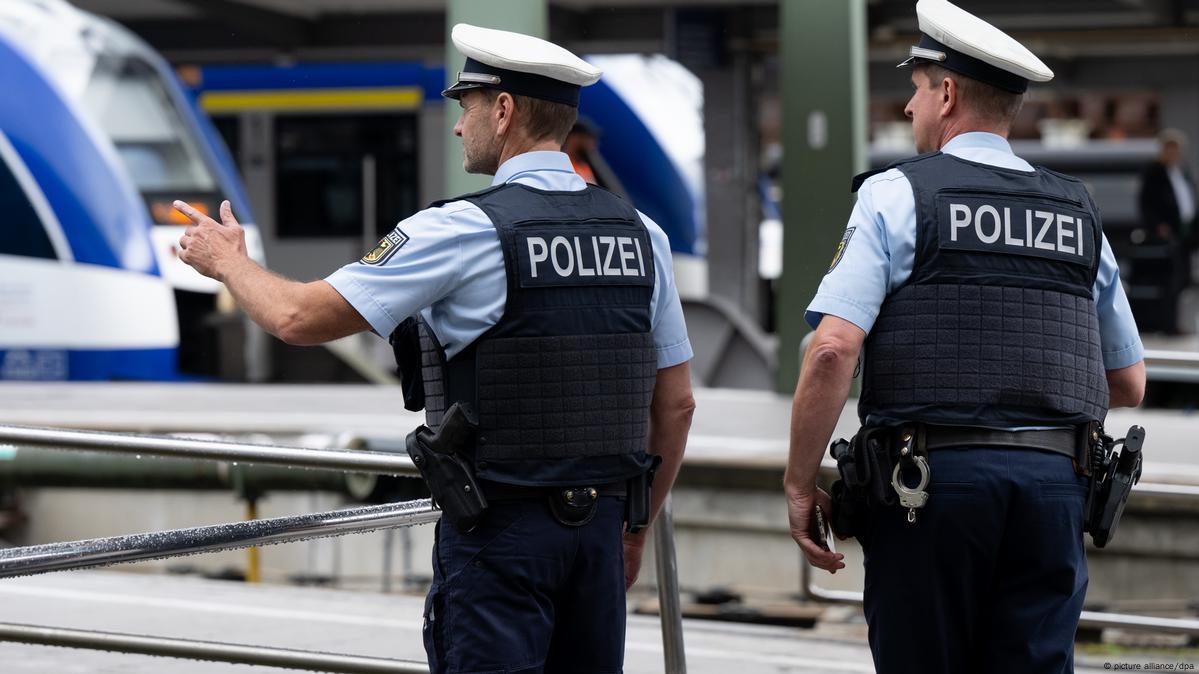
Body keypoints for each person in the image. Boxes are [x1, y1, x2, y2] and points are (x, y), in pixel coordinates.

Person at [173, 23, 694, 674]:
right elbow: (676, 406)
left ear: (503, 111)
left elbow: (296, 317)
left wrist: (227, 262)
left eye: (466, 106)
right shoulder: (643, 235)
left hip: (500, 536)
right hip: (600, 536)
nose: (457, 126)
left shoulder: (459, 230)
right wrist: (634, 529)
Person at [783, 1, 1146, 673]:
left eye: (916, 89)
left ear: (946, 94)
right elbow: (1127, 383)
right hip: (1054, 487)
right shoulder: (1078, 211)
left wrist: (800, 484)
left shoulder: (897, 194)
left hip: (927, 487)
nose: (907, 107)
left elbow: (831, 349)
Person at [1138, 129, 1197, 331]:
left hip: (1185, 234)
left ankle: (1175, 322)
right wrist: (1157, 226)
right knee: (1168, 280)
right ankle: (1167, 324)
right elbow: (1146, 203)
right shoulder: (1154, 172)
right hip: (1166, 234)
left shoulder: (1182, 171)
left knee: (1183, 279)